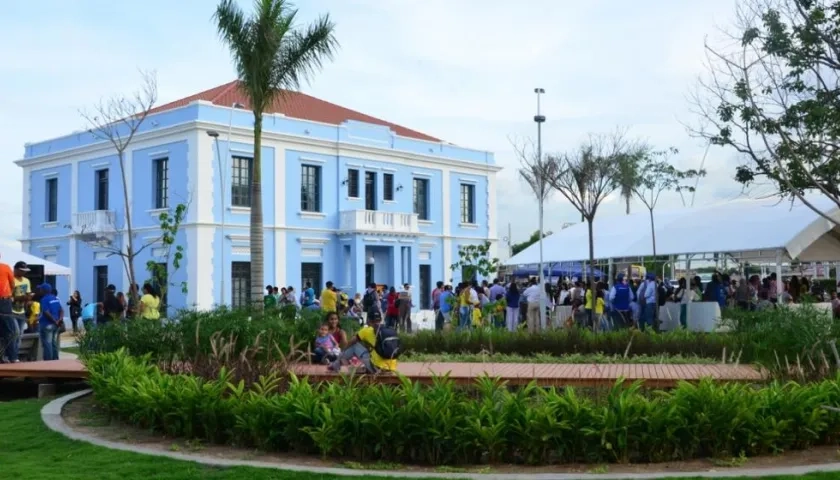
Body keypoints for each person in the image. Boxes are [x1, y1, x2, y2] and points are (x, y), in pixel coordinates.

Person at [328, 311, 398, 373]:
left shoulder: (367, 330)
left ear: (368, 320)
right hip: (391, 368)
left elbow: (351, 342)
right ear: (380, 319)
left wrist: (342, 353)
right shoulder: (388, 329)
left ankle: (336, 363)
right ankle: (337, 363)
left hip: (376, 369)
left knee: (354, 346)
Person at [11, 262, 32, 359]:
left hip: (21, 311)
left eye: (25, 271)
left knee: (20, 335)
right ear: (16, 269)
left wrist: (28, 299)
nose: (23, 273)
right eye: (22, 271)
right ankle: (12, 356)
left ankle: (15, 355)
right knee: (15, 332)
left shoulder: (26, 281)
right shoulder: (11, 279)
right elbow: (9, 296)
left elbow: (28, 294)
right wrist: (20, 298)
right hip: (11, 311)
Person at [37, 283, 63, 361]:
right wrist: (59, 320)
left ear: (43, 291)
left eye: (40, 289)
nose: (39, 291)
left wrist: (54, 321)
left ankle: (48, 361)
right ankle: (55, 359)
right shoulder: (55, 298)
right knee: (53, 342)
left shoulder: (44, 299)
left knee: (47, 343)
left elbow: (46, 312)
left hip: (47, 324)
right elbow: (61, 310)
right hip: (56, 325)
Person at [0, 256, 17, 363]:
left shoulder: (5, 267)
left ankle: (11, 357)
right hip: (4, 301)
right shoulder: (5, 267)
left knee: (8, 330)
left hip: (4, 300)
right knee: (10, 330)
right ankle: (12, 357)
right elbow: (12, 284)